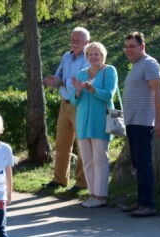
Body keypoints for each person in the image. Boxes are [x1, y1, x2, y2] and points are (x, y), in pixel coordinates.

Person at [120, 32, 160, 217]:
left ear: (142, 47)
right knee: (138, 164)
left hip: (144, 122)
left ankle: (149, 204)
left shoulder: (149, 63)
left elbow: (158, 91)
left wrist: (158, 121)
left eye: (132, 46)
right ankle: (141, 201)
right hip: (133, 122)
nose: (129, 50)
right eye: (126, 47)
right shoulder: (137, 66)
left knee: (144, 164)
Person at [42, 27, 90, 192]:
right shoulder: (66, 56)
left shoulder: (89, 57)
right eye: (73, 38)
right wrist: (51, 81)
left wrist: (62, 82)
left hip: (81, 103)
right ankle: (59, 179)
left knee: (82, 143)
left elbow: (82, 81)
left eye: (78, 40)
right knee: (62, 142)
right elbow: (59, 76)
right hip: (65, 103)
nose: (74, 42)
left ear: (87, 42)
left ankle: (81, 183)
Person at [70, 42, 118, 208]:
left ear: (103, 55)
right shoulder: (82, 73)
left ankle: (101, 196)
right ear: (87, 56)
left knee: (100, 159)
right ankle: (92, 193)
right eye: (90, 54)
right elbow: (73, 101)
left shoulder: (109, 71)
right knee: (87, 161)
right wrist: (77, 92)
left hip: (100, 122)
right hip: (83, 122)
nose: (93, 57)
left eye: (97, 54)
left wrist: (92, 90)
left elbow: (109, 94)